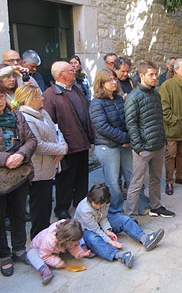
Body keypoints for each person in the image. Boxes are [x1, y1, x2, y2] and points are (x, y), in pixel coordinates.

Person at [90, 68, 148, 215]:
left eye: (114, 79)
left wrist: (130, 137)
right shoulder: (97, 103)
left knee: (133, 176)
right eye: (109, 80)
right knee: (113, 182)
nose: (114, 82)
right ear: (101, 83)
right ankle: (116, 211)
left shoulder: (118, 99)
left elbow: (127, 120)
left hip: (124, 145)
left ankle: (140, 206)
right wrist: (124, 138)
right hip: (108, 147)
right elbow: (103, 128)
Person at [16, 85, 68, 239]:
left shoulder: (43, 112)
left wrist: (62, 146)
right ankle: (38, 240)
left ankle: (45, 237)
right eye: (39, 96)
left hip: (50, 165)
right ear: (29, 100)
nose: (43, 98)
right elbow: (37, 145)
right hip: (37, 170)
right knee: (39, 208)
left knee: (46, 206)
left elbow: (57, 131)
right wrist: (60, 150)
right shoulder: (25, 118)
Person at [43, 61, 93, 220]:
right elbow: (49, 124)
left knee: (82, 176)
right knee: (65, 179)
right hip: (66, 146)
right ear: (61, 75)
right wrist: (57, 147)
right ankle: (62, 209)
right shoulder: (50, 95)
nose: (74, 72)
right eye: (70, 70)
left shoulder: (76, 89)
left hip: (82, 142)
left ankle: (80, 203)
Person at [124, 61, 174, 218]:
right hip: (143, 148)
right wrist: (138, 147)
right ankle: (130, 216)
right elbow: (131, 123)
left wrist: (163, 139)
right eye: (150, 75)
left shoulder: (156, 94)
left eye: (155, 74)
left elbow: (159, 119)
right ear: (141, 76)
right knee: (136, 183)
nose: (154, 78)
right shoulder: (133, 97)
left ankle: (156, 206)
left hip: (158, 145)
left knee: (156, 178)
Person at [74, 184, 165, 269]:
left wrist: (108, 230)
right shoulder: (84, 209)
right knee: (93, 239)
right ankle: (119, 256)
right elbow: (96, 230)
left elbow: (103, 217)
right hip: (86, 230)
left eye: (100, 204)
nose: (98, 206)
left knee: (124, 219)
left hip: (99, 223)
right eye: (96, 204)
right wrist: (110, 241)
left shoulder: (105, 202)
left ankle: (145, 238)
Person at [0, 91, 37, 277]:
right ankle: (4, 255)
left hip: (20, 172)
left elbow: (31, 139)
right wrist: (6, 158)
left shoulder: (17, 116)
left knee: (19, 213)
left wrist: (21, 154)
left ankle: (20, 249)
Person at [159, 58, 182, 196]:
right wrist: (174, 121)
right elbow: (164, 108)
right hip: (172, 128)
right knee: (171, 155)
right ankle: (169, 181)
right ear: (176, 70)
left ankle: (180, 176)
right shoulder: (167, 86)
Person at [27, 219, 91, 285]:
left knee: (78, 235)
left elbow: (73, 245)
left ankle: (83, 248)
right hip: (41, 250)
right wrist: (57, 262)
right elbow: (45, 256)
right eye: (73, 244)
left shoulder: (67, 229)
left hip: (59, 246)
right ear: (65, 240)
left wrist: (79, 253)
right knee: (31, 254)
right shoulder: (49, 241)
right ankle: (44, 270)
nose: (76, 244)